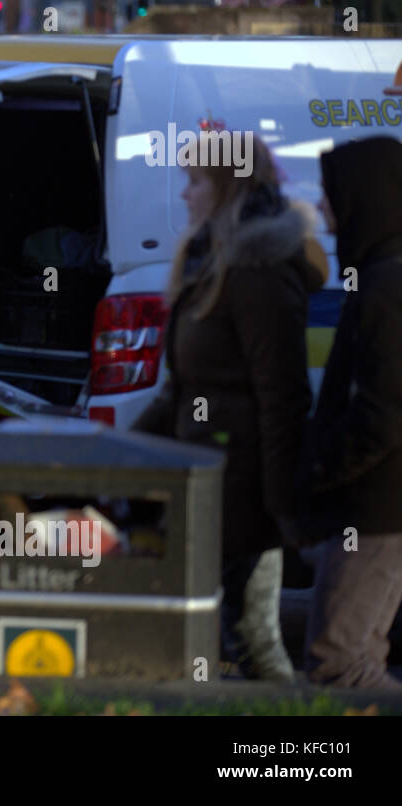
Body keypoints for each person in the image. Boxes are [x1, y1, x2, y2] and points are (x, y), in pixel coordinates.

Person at [131, 137, 327, 680]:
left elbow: (282, 394)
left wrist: (281, 506)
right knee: (241, 639)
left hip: (240, 489)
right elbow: (183, 385)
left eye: (195, 180)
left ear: (229, 186)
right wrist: (127, 453)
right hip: (208, 478)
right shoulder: (213, 258)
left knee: (241, 639)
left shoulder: (258, 269)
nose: (185, 193)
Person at [302, 135, 402, 690]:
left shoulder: (386, 286)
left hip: (377, 505)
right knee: (355, 657)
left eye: (330, 195)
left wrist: (322, 471)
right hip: (376, 502)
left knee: (341, 666)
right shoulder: (383, 276)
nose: (321, 209)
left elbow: (383, 412)